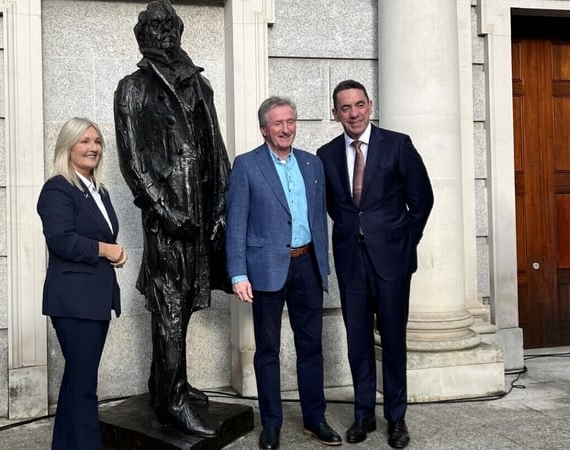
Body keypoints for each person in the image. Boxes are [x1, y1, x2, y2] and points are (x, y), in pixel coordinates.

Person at [113, 0, 231, 438]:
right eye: (155, 27)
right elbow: (133, 162)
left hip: (201, 215)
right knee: (169, 308)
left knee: (184, 303)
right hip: (169, 221)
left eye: (170, 26)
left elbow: (216, 148)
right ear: (142, 34)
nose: (164, 34)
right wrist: (166, 211)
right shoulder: (132, 88)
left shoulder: (199, 84)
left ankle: (165, 386)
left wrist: (222, 204)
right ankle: (173, 401)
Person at [316, 80, 434, 449]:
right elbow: (335, 207)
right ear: (335, 114)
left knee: (394, 340)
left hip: (392, 264)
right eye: (345, 108)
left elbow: (422, 200)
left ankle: (396, 417)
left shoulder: (398, 145)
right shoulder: (326, 153)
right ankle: (363, 413)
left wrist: (402, 240)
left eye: (359, 105)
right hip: (352, 261)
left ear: (371, 105)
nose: (354, 113)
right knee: (357, 341)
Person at [226, 96, 342, 449]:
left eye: (290, 121)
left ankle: (315, 419)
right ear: (264, 129)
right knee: (268, 350)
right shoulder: (246, 166)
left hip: (307, 264)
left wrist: (323, 264)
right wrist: (238, 273)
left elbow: (319, 219)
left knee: (311, 347)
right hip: (265, 269)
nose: (285, 128)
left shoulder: (312, 164)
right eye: (277, 123)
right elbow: (236, 223)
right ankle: (272, 424)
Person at [37, 117, 127, 450]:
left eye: (97, 141)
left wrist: (113, 253)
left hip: (95, 299)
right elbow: (61, 240)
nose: (93, 148)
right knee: (84, 384)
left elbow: (98, 236)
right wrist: (106, 250)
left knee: (77, 380)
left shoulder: (98, 190)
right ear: (68, 147)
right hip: (74, 301)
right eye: (84, 141)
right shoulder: (58, 187)